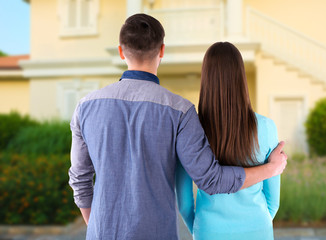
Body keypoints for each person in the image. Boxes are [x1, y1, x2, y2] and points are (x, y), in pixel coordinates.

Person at [68, 14, 287, 240]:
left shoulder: (85, 107)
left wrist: (97, 226)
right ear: (162, 50)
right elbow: (211, 179)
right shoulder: (179, 111)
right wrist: (270, 170)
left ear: (121, 51)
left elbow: (79, 180)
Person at [176, 42, 282, 240]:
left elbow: (184, 205)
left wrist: (201, 230)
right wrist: (256, 225)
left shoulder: (190, 129)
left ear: (206, 78)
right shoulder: (267, 127)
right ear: (241, 77)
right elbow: (273, 202)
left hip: (209, 231)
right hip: (258, 229)